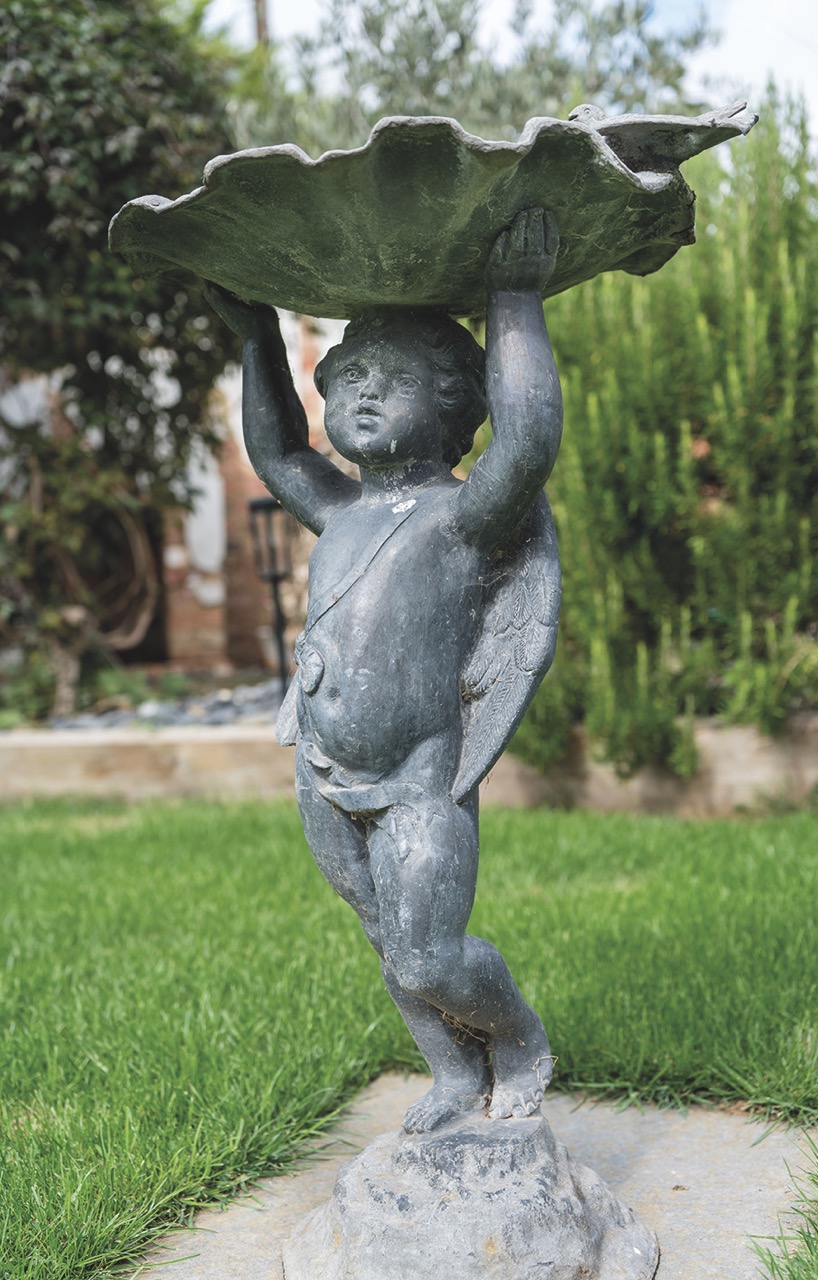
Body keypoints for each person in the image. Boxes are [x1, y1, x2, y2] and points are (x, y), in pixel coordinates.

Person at [207, 207, 563, 1133]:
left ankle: (517, 1036)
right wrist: (256, 334)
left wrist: (515, 300)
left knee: (428, 954)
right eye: (350, 377)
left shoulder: (461, 517)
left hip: (417, 784)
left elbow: (527, 445)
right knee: (382, 935)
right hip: (320, 769)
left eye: (395, 380)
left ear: (453, 401)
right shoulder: (338, 507)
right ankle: (451, 1072)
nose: (364, 394)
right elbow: (278, 450)